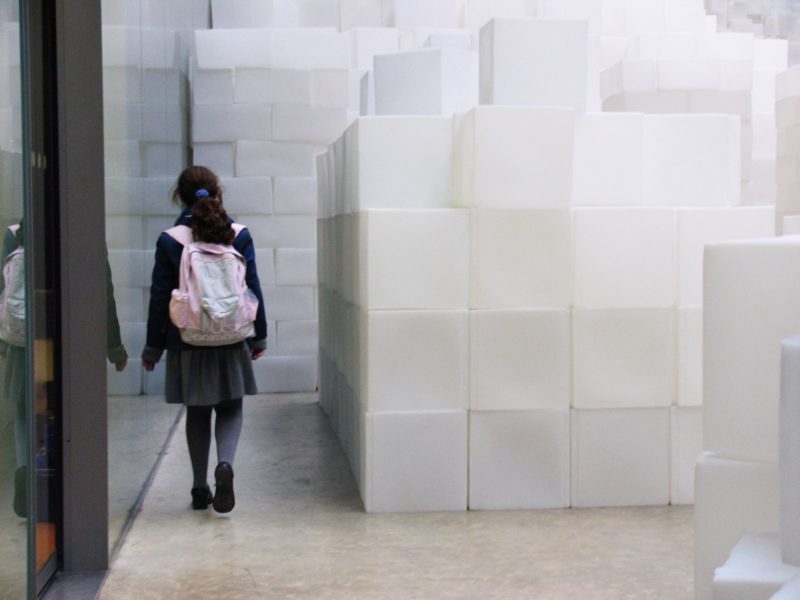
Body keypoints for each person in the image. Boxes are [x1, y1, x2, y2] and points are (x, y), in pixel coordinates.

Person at [141, 165, 267, 514]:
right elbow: (253, 288)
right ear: (217, 192)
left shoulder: (171, 240)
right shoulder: (237, 234)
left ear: (178, 196)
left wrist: (153, 346)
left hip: (188, 338)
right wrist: (260, 337)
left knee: (197, 412)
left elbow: (158, 298)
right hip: (231, 335)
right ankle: (224, 464)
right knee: (231, 406)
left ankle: (199, 488)